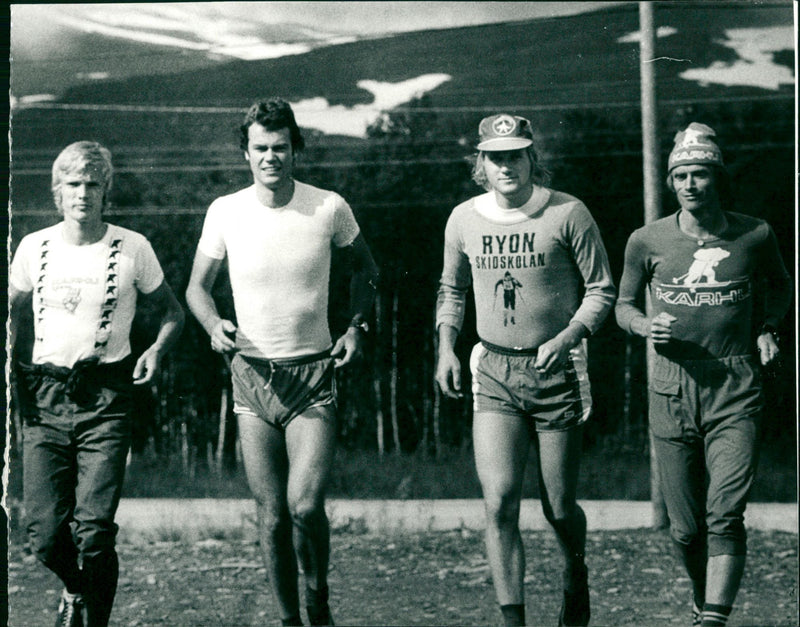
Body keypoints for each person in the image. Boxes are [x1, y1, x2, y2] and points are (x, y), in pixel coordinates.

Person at [185, 98, 378, 627]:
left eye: (280, 147)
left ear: (296, 149)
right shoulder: (225, 211)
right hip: (251, 376)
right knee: (270, 518)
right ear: (245, 154)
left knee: (305, 507)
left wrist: (356, 327)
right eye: (260, 149)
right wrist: (213, 326)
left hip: (312, 375)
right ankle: (289, 620)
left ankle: (317, 597)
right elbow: (197, 290)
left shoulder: (328, 207)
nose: (271, 157)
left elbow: (368, 272)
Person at [435, 114, 616, 627]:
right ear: (481, 164)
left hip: (554, 369)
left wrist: (567, 338)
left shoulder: (567, 213)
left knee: (558, 507)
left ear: (532, 158)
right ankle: (513, 619)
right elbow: (452, 290)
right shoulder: (463, 218)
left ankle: (574, 570)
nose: (506, 166)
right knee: (499, 503)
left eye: (516, 155)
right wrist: (446, 347)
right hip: (493, 368)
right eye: (496, 157)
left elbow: (601, 289)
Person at [615, 122, 792, 627]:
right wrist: (647, 325)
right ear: (671, 182)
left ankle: (714, 618)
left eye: (700, 174)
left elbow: (781, 286)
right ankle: (702, 599)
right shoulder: (646, 240)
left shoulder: (754, 233)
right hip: (671, 387)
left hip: (735, 387)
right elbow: (622, 306)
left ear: (717, 177)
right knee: (686, 530)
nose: (690, 184)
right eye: (681, 175)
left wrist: (768, 329)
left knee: (725, 515)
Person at [9, 141, 185, 627]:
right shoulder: (33, 247)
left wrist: (154, 350)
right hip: (43, 397)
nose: (82, 194)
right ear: (57, 192)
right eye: (73, 184)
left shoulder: (132, 247)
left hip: (106, 395)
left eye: (92, 184)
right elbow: (10, 312)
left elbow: (173, 314)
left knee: (94, 531)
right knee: (43, 533)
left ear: (105, 189)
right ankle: (74, 588)